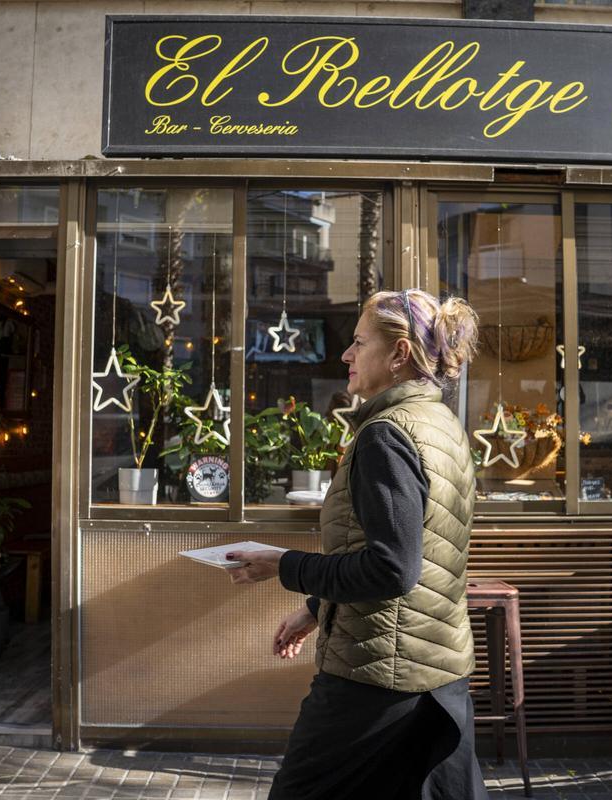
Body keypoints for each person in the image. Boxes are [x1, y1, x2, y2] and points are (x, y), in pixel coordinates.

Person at [225, 288, 489, 800]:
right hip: (432, 669)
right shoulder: (441, 425)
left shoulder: (386, 434)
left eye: (358, 342)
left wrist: (282, 564)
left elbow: (391, 569)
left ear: (399, 355)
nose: (345, 354)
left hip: (376, 675)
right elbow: (415, 551)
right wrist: (315, 607)